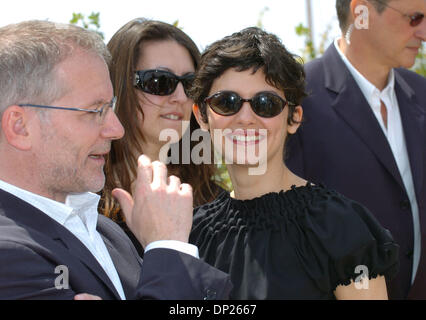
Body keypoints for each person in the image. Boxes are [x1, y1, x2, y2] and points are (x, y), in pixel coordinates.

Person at [0, 20, 232, 300]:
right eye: (94, 111)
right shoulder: (10, 252)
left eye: (191, 84)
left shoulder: (105, 232)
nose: (116, 129)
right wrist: (168, 246)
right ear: (19, 126)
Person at [188, 27, 399, 300]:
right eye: (226, 102)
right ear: (202, 116)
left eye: (266, 103)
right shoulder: (193, 235)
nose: (245, 117)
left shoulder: (340, 226)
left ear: (294, 117)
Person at [285, 0, 426, 299]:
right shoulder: (296, 101)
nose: (424, 32)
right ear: (361, 12)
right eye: (415, 18)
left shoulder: (423, 94)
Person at [100, 19, 223, 255]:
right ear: (119, 86)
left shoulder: (215, 204)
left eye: (190, 84)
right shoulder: (79, 201)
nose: (179, 96)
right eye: (159, 82)